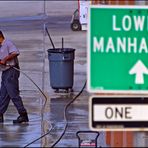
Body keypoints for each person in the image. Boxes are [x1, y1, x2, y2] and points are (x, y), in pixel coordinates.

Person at [0, 30, 29, 124]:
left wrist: (5, 59)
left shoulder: (7, 43)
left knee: (13, 94)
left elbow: (16, 52)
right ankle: (0, 114)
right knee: (3, 94)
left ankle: (23, 114)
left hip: (11, 71)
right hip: (5, 72)